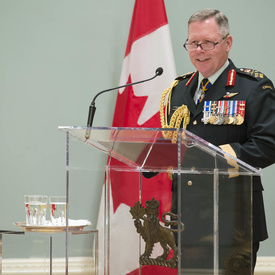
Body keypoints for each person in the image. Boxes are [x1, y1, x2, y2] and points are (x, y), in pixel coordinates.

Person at [150, 8, 275, 274]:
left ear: (227, 43)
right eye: (193, 43)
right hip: (186, 219)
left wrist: (211, 156)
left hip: (234, 218)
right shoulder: (178, 91)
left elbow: (268, 143)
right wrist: (148, 158)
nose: (199, 50)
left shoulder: (252, 87)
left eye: (207, 42)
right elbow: (170, 141)